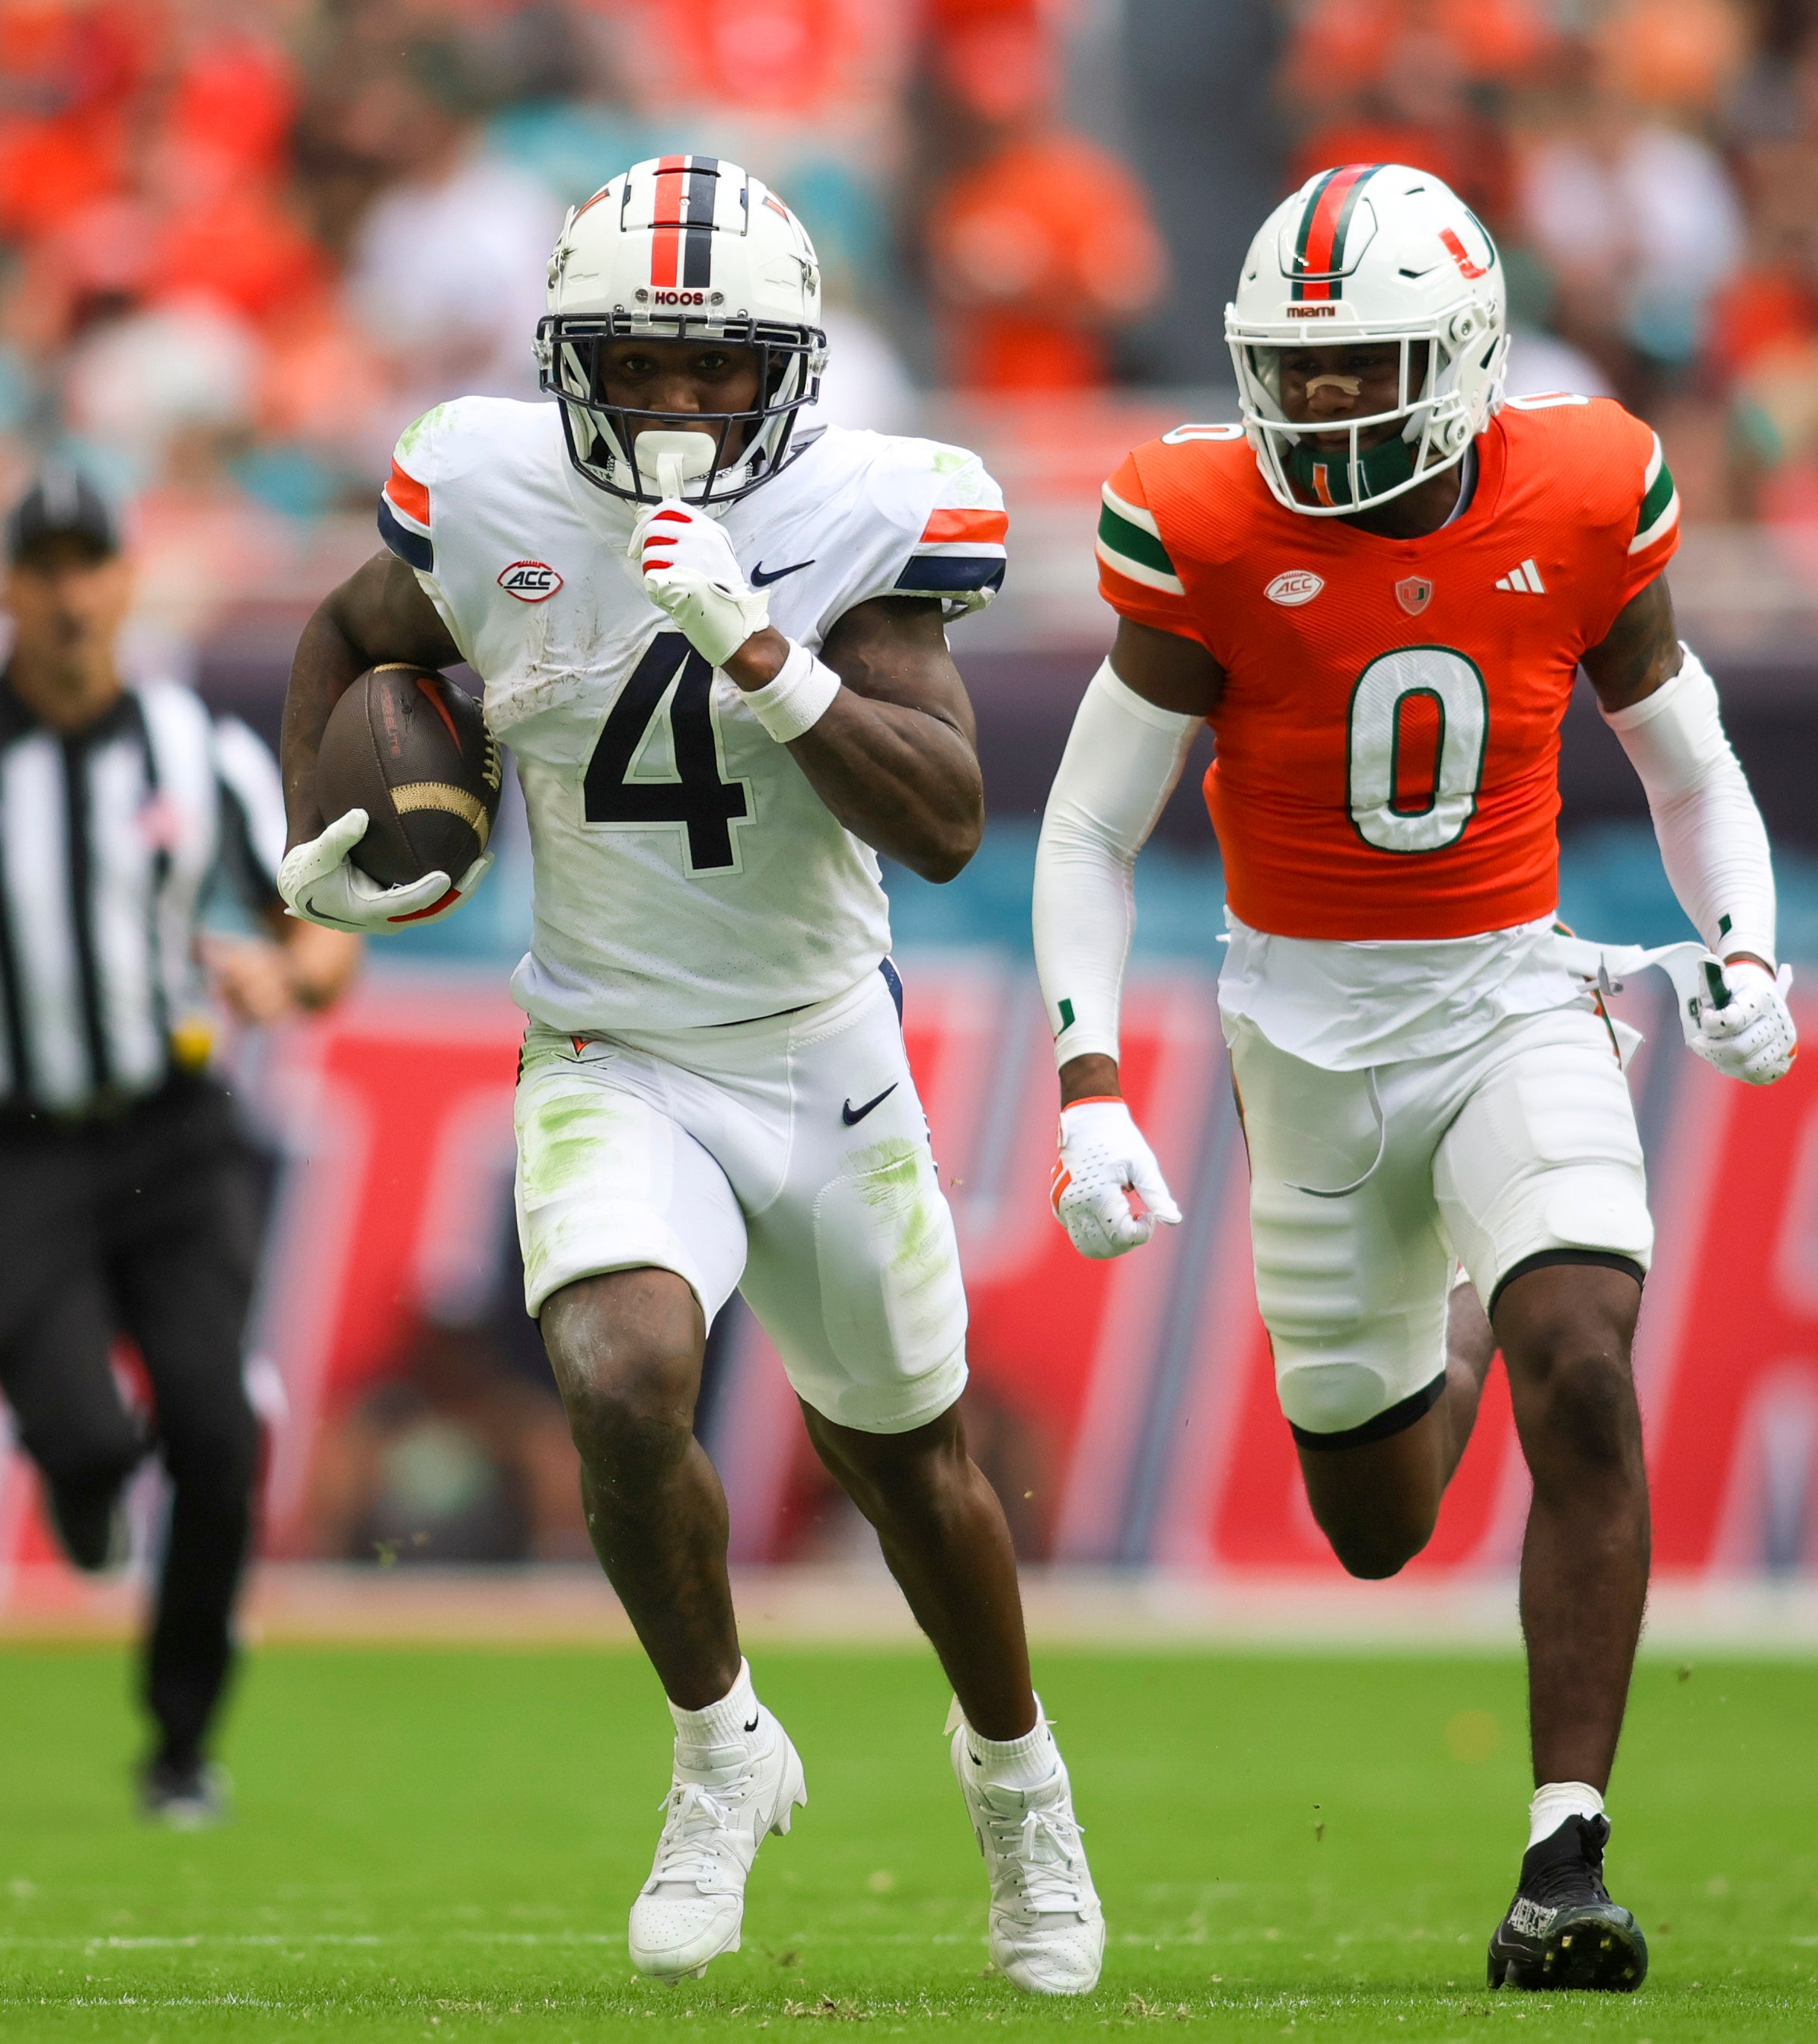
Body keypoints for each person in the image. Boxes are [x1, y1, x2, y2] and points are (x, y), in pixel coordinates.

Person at [276, 156, 1102, 1995]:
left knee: (913, 1469)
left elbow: (953, 820)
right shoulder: (485, 481)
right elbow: (349, 634)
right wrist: (316, 837)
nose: (673, 404)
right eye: (638, 363)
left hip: (820, 1048)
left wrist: (763, 651)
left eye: (717, 369)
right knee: (618, 1369)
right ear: (569, 358)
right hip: (609, 1040)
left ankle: (1015, 1781)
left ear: (789, 375)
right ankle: (719, 1743)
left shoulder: (865, 516)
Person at [1030, 163, 1798, 1994]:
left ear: (1459, 358)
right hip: (1298, 1035)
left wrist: (1749, 939)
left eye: (1355, 368)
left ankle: (1565, 1854)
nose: (1310, 408)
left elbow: (1685, 765)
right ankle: (1443, 1323)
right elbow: (1084, 825)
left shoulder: (1586, 483)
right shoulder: (1196, 517)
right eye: (1285, 373)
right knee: (1374, 1525)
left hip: (1511, 996)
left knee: (1587, 1363)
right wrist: (1083, 1078)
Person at [0, 462, 357, 1827]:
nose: (68, 594)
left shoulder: (198, 750)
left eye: (89, 566)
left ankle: (180, 1743)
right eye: (44, 568)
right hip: (10, 1149)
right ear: (8, 584)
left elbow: (323, 913)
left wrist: (287, 979)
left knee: (215, 1434)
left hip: (174, 1133)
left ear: (126, 580)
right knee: (78, 1430)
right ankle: (80, 1477)